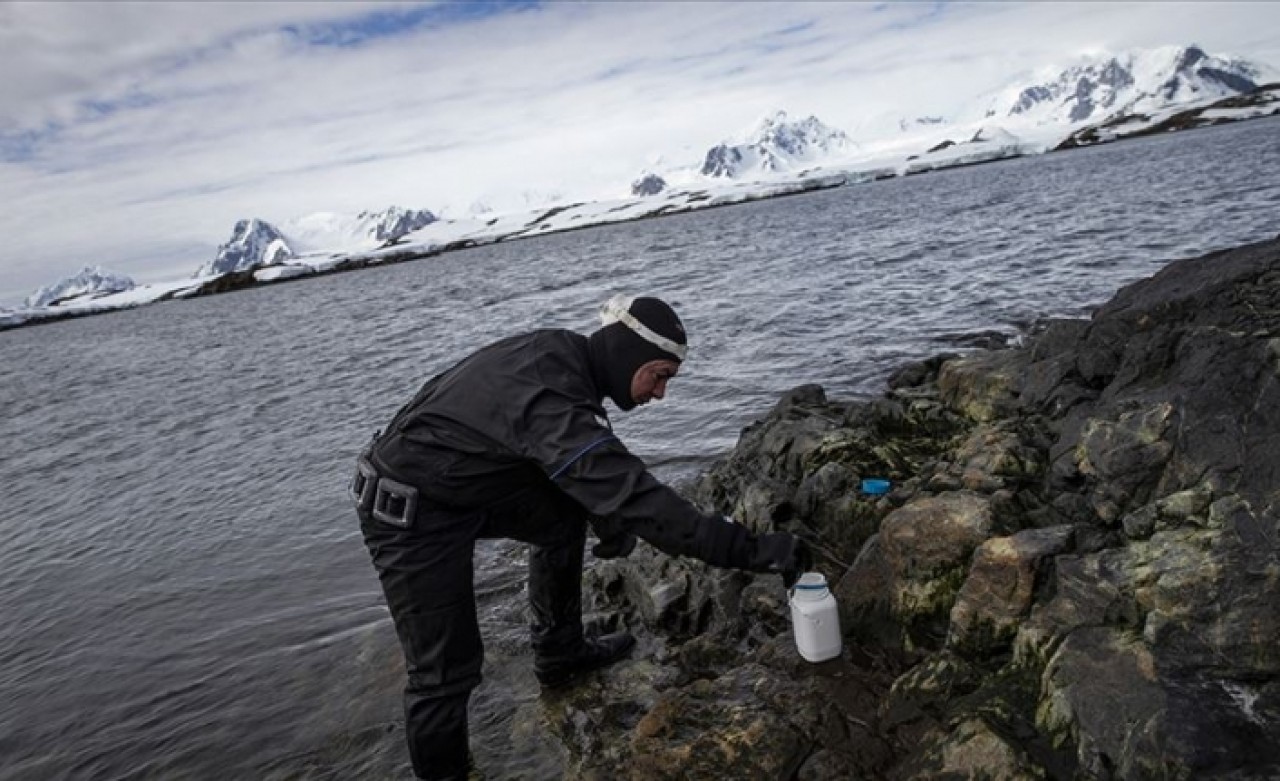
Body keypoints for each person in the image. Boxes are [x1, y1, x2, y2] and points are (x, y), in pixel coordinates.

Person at [351, 294, 812, 780]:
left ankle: (559, 653)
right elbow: (641, 501)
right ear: (629, 355)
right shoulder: (552, 396)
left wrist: (604, 515)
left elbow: (578, 469)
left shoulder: (563, 354)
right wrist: (756, 551)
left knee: (560, 518)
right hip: (411, 510)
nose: (660, 394)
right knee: (445, 672)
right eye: (660, 375)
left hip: (460, 480)